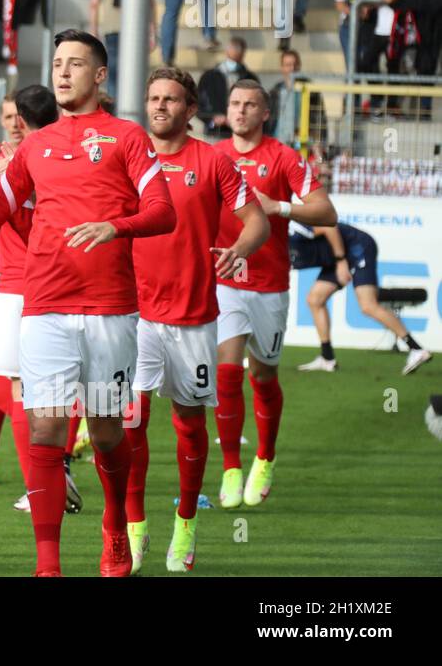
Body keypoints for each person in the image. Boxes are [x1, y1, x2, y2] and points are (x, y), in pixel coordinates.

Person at [0, 29, 177, 577]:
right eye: (56, 63)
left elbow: (164, 212)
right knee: (45, 430)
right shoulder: (34, 146)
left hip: (111, 309)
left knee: (107, 433)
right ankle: (48, 565)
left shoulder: (126, 137)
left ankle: (115, 525)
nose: (63, 72)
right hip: (44, 308)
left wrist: (114, 226)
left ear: (99, 76)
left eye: (75, 64)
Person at [128, 66, 269, 574]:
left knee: (189, 424)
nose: (160, 106)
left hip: (192, 317)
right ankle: (134, 526)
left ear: (190, 110)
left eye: (171, 99)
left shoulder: (211, 162)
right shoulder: (129, 157)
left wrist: (238, 249)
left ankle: (185, 524)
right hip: (134, 315)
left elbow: (257, 220)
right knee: (130, 423)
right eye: (153, 98)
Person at [211, 78, 337, 510]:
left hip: (268, 285)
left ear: (265, 113)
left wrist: (280, 206)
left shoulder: (283, 157)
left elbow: (327, 211)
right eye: (234, 103)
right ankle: (230, 467)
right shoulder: (213, 156)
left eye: (249, 104)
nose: (240, 111)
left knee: (263, 375)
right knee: (226, 371)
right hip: (224, 278)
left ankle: (264, 457)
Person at [0, 87, 58, 509]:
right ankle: (3, 464)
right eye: (4, 115)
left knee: (22, 384)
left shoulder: (33, 159)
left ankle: (44, 479)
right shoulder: (3, 155)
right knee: (11, 379)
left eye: (15, 115)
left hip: (28, 282)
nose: (11, 123)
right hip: (9, 278)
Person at [293, 215, 433, 376]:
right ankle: (327, 358)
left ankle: (417, 349)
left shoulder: (290, 228)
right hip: (334, 258)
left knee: (368, 305)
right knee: (315, 300)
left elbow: (329, 226)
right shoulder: (268, 245)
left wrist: (340, 261)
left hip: (356, 247)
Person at [197, 37, 259, 139]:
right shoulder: (209, 77)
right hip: (214, 133)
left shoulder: (250, 78)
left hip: (240, 135)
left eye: (238, 59)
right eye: (232, 59)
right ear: (227, 52)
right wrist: (212, 119)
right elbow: (199, 104)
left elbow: (257, 105)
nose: (234, 64)